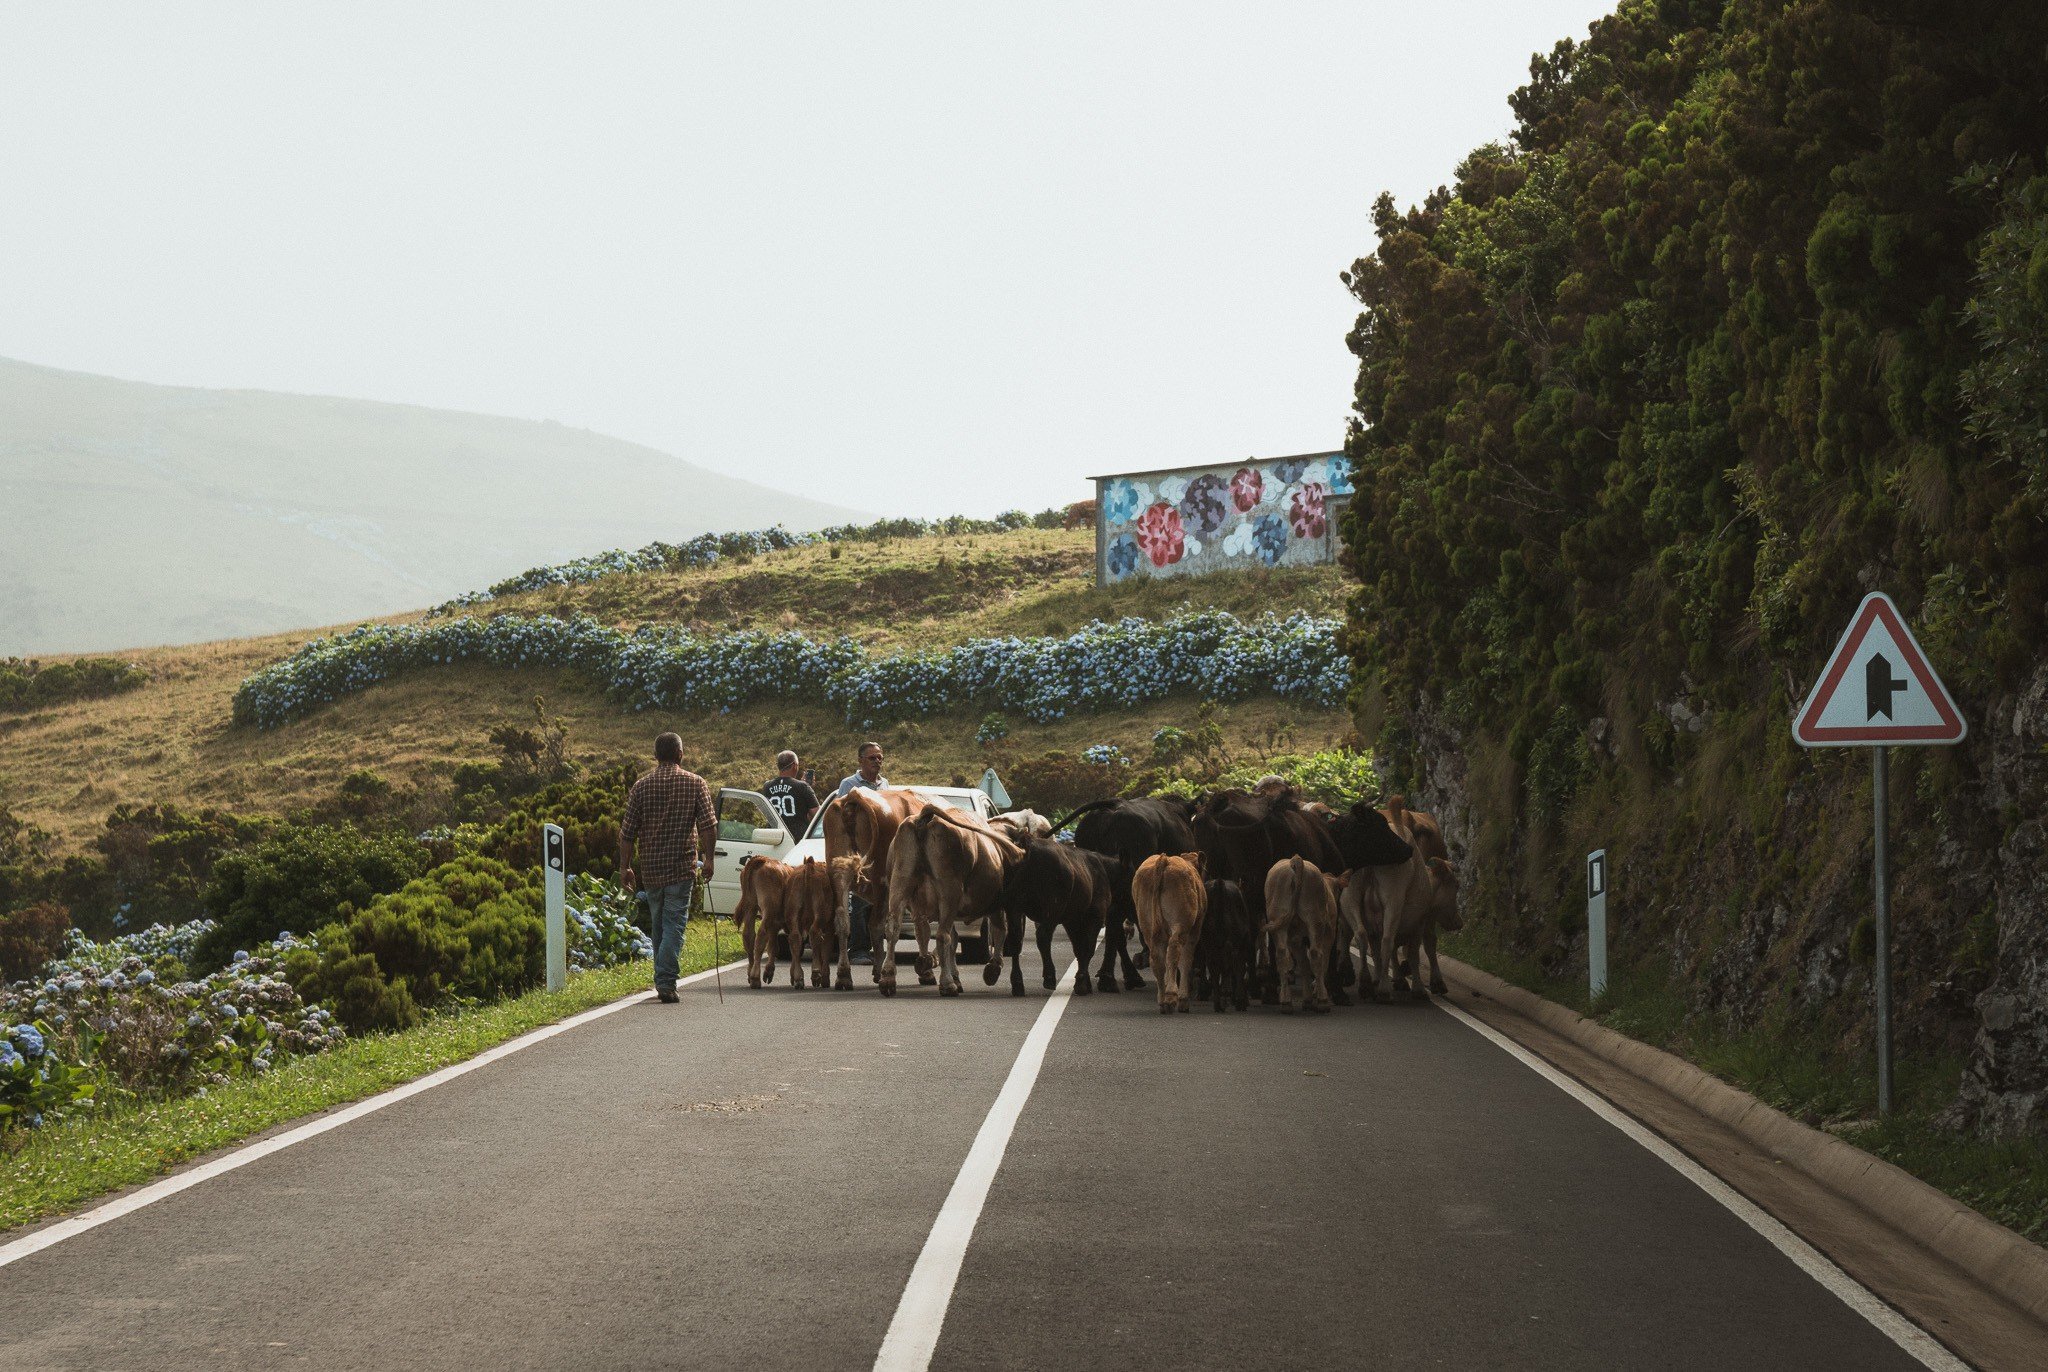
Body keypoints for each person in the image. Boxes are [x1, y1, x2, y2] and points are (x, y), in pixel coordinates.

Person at [618, 732, 717, 1004]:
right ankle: (665, 981)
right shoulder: (695, 783)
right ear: (680, 754)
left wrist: (624, 867)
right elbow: (709, 825)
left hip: (651, 868)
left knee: (660, 924)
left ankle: (662, 978)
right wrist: (709, 859)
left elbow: (627, 833)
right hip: (681, 866)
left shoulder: (641, 786)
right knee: (674, 924)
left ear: (656, 756)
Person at [833, 741, 890, 963]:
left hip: (880, 850)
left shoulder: (885, 784)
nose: (877, 761)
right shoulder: (849, 784)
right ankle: (858, 949)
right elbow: (841, 814)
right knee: (859, 897)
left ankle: (879, 947)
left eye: (880, 758)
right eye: (872, 758)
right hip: (857, 848)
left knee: (881, 897)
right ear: (860, 761)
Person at [762, 750, 820, 838]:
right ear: (794, 765)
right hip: (797, 838)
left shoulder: (767, 786)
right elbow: (817, 816)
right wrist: (807, 787)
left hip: (774, 837)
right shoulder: (803, 787)